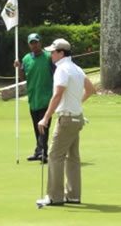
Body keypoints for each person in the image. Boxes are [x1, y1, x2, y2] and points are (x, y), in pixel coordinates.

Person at [35, 38, 95, 206]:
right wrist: (77, 104)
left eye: (53, 52)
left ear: (61, 53)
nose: (51, 55)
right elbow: (91, 90)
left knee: (55, 156)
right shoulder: (77, 69)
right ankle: (73, 195)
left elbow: (58, 94)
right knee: (73, 157)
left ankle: (54, 197)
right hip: (77, 118)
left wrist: (45, 117)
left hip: (67, 119)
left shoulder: (62, 69)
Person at [13, 33, 54, 162]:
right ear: (29, 44)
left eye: (36, 42)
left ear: (40, 43)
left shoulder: (48, 57)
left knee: (44, 127)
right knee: (37, 127)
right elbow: (23, 77)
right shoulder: (26, 59)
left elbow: (56, 73)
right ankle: (38, 151)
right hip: (33, 98)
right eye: (32, 43)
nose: (34, 45)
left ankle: (44, 152)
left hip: (46, 98)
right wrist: (19, 68)